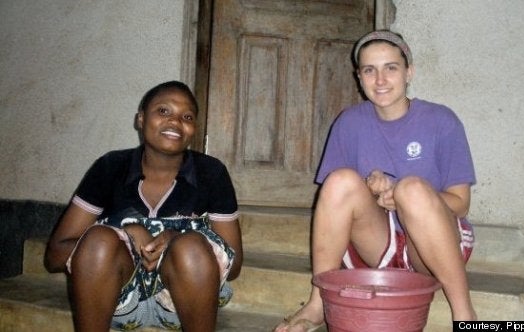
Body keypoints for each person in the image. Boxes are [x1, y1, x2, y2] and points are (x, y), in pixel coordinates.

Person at [274, 30, 477, 331]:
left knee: (412, 188)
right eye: (370, 70)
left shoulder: (441, 121)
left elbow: (460, 204)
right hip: (380, 246)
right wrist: (371, 192)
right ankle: (318, 302)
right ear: (359, 77)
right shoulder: (349, 122)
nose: (380, 80)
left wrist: (403, 196)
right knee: (340, 180)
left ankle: (465, 314)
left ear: (409, 71)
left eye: (391, 68)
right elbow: (338, 200)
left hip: (435, 248)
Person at [44, 80, 243, 332]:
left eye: (187, 116)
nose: (175, 122)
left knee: (190, 246)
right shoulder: (110, 167)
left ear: (194, 128)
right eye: (163, 111)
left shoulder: (211, 173)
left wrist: (175, 239)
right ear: (140, 119)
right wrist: (124, 234)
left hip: (184, 304)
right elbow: (55, 256)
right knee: (98, 240)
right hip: (115, 301)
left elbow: (233, 266)